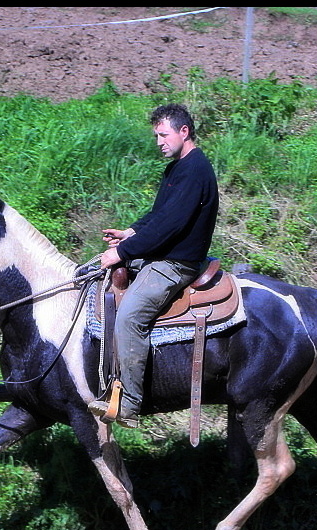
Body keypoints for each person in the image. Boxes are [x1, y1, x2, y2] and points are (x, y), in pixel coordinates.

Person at [89, 103, 219, 428]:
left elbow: (171, 227)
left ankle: (130, 404)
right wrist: (129, 233)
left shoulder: (196, 171)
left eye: (163, 135)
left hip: (176, 263)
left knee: (130, 316)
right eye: (156, 136)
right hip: (161, 255)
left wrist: (122, 253)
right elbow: (158, 215)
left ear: (183, 131)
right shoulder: (176, 169)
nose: (158, 142)